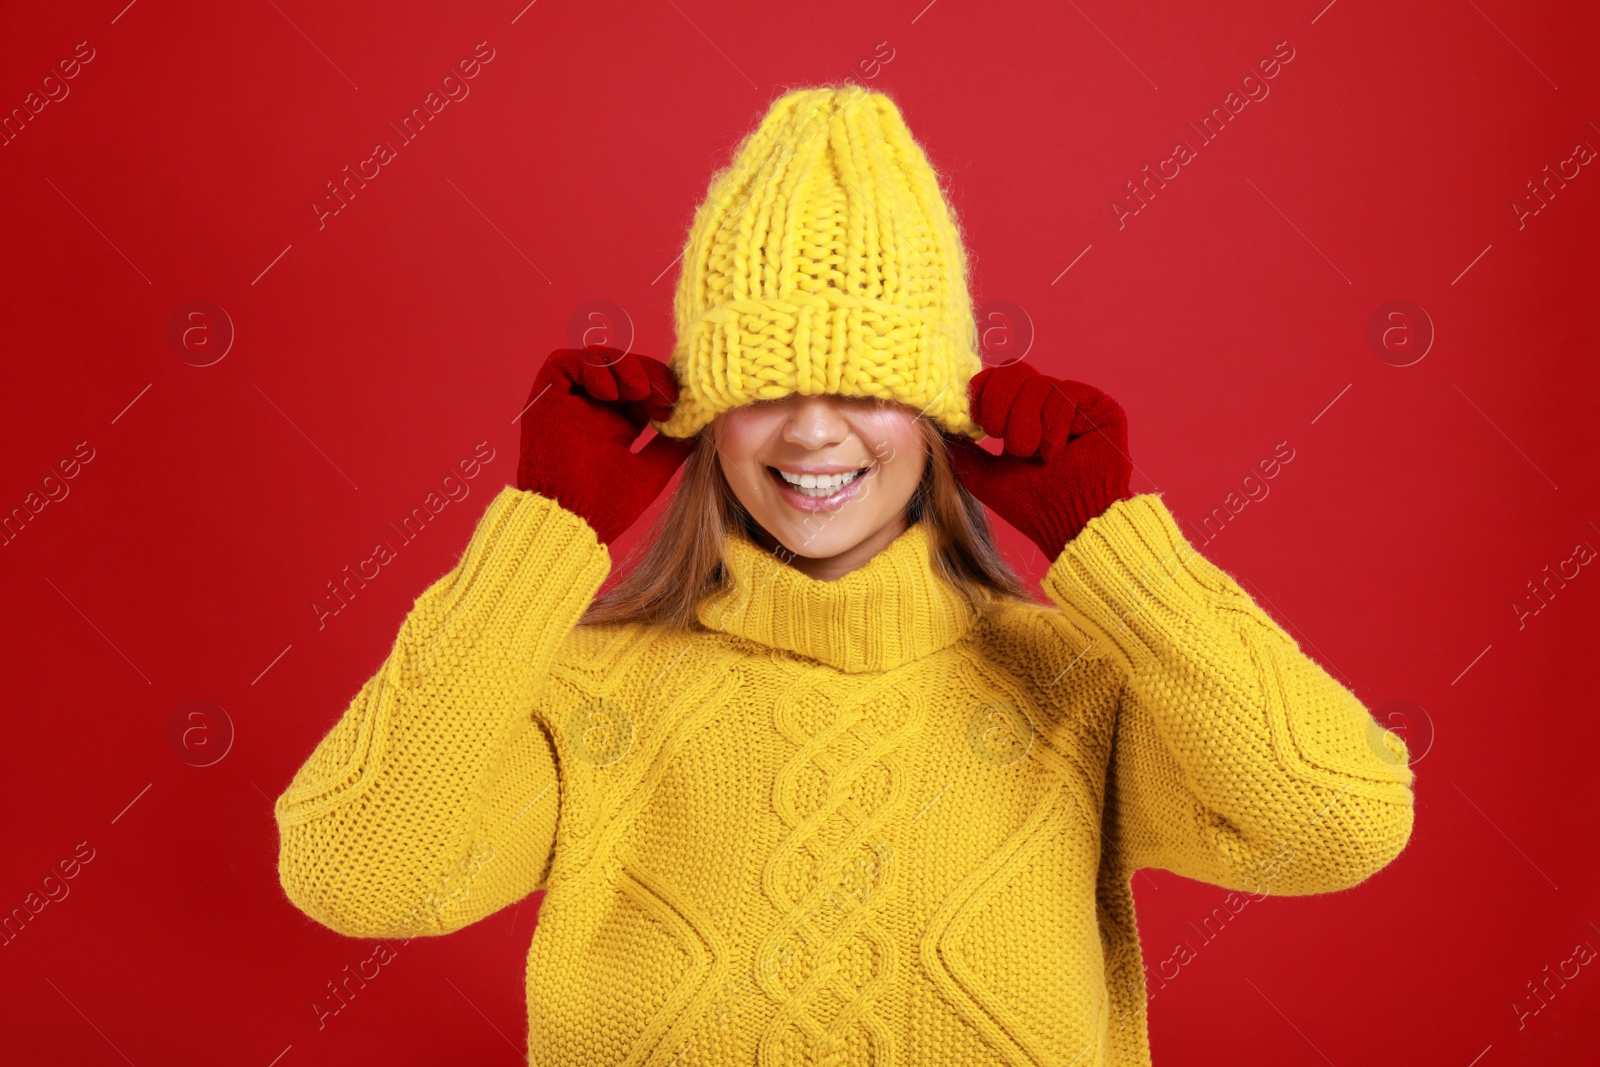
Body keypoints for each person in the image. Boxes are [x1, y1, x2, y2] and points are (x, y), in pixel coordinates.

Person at [274, 84, 1416, 1066]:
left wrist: (1111, 541)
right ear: (702, 416)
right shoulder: (585, 693)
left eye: (864, 388)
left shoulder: (1079, 687)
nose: (811, 434)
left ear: (937, 413)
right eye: (765, 387)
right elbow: (355, 873)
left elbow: (1335, 821)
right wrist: (540, 531)